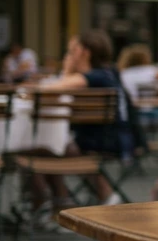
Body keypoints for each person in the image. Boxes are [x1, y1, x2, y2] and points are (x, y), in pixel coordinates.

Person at [36, 30, 134, 208]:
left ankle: (57, 205)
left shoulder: (93, 77)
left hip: (103, 142)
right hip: (114, 138)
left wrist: (66, 71)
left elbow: (48, 90)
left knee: (45, 148)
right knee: (47, 146)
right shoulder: (109, 73)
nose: (68, 55)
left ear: (84, 52)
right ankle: (58, 202)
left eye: (71, 51)